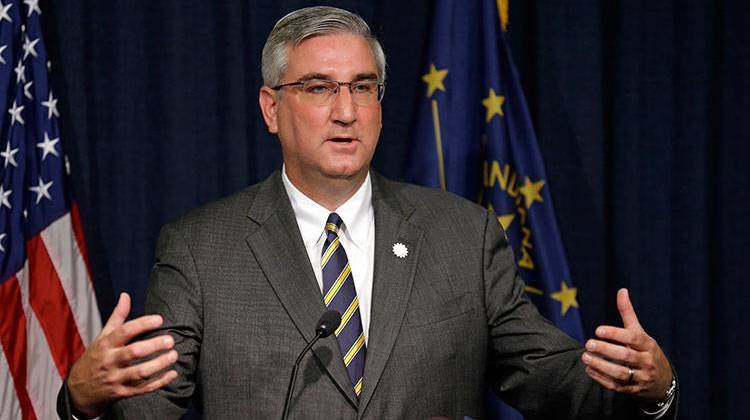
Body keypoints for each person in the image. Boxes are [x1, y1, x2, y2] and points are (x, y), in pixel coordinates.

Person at [58, 6, 677, 419]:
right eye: (320, 88)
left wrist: (648, 388)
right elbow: (147, 404)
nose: (346, 110)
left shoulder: (461, 235)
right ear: (272, 109)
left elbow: (549, 377)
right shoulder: (201, 247)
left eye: (362, 87)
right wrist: (82, 402)